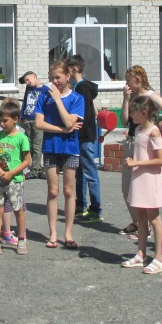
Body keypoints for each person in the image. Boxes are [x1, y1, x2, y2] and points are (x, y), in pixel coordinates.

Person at [120, 66, 162, 236]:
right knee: (127, 186)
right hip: (132, 140)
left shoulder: (150, 96)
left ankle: (146, 226)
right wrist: (125, 100)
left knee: (141, 185)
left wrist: (154, 129)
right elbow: (124, 121)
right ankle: (137, 222)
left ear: (138, 80)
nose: (126, 83)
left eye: (128, 80)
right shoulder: (133, 97)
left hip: (145, 143)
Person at [35, 60, 84, 250]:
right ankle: (53, 233)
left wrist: (57, 100)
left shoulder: (77, 98)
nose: (54, 81)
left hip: (70, 149)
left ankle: (68, 233)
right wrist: (62, 130)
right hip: (50, 147)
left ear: (67, 76)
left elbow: (70, 122)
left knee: (69, 191)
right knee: (53, 191)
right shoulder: (43, 97)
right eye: (52, 78)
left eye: (58, 77)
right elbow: (39, 123)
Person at [120, 95, 162, 273]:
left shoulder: (153, 132)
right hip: (138, 177)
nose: (131, 115)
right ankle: (141, 254)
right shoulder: (139, 129)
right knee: (140, 217)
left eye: (134, 112)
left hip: (149, 179)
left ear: (144, 112)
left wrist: (137, 163)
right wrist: (133, 162)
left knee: (154, 218)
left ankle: (159, 258)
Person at [0, 99, 31, 257]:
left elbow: (27, 160)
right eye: (0, 121)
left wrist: (12, 173)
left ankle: (21, 239)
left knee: (18, 210)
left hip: (15, 180)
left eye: (5, 120)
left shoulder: (21, 138)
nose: (2, 124)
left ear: (15, 119)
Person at [68, 54, 102, 221]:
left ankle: (96, 209)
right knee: (80, 173)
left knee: (90, 172)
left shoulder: (82, 88)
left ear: (74, 69)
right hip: (80, 136)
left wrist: (75, 124)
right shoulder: (79, 87)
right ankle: (81, 205)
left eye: (67, 69)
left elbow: (86, 114)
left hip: (85, 136)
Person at [17, 70, 49, 179]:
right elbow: (25, 102)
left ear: (34, 76)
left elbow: (47, 106)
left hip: (38, 121)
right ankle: (33, 166)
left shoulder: (45, 90)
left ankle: (35, 169)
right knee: (28, 144)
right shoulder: (29, 88)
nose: (27, 82)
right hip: (27, 119)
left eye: (28, 79)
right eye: (25, 81)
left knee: (37, 145)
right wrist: (21, 116)